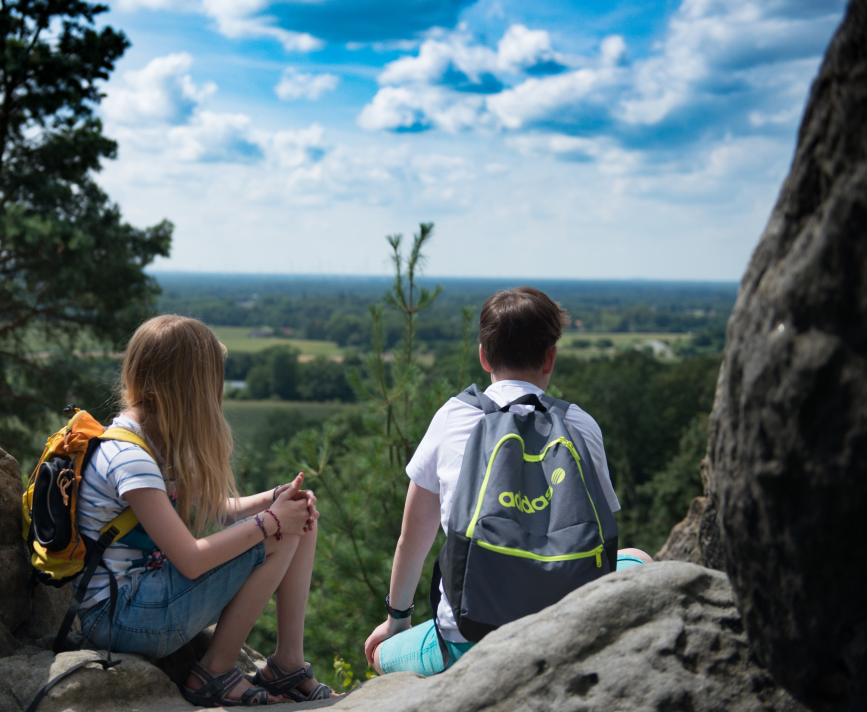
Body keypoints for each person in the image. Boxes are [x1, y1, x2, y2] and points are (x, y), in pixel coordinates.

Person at [363, 286, 652, 676]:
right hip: (568, 629)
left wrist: (397, 619)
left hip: (469, 641)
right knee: (640, 560)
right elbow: (601, 534)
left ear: (484, 356)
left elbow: (413, 538)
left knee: (381, 652)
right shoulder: (580, 425)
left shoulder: (453, 417)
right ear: (551, 357)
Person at [75, 314, 335, 706]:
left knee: (297, 521)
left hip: (141, 600)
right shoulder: (130, 458)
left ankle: (287, 662)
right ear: (192, 389)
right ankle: (214, 672)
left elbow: (215, 511)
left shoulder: (151, 440)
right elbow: (192, 560)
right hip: (119, 616)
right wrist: (271, 522)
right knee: (280, 533)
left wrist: (275, 499)